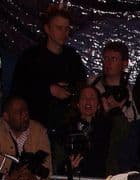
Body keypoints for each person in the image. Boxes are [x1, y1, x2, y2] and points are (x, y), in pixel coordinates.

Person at [11, 4, 86, 134]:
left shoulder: (73, 58)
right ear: (47, 29)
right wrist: (49, 90)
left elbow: (81, 86)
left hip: (66, 126)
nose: (64, 33)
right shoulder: (30, 58)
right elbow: (18, 91)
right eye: (59, 28)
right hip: (35, 125)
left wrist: (71, 91)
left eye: (67, 29)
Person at [89, 41, 139, 123]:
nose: (108, 63)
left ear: (125, 63)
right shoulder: (91, 85)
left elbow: (133, 121)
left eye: (113, 59)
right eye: (106, 58)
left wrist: (117, 112)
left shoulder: (131, 94)